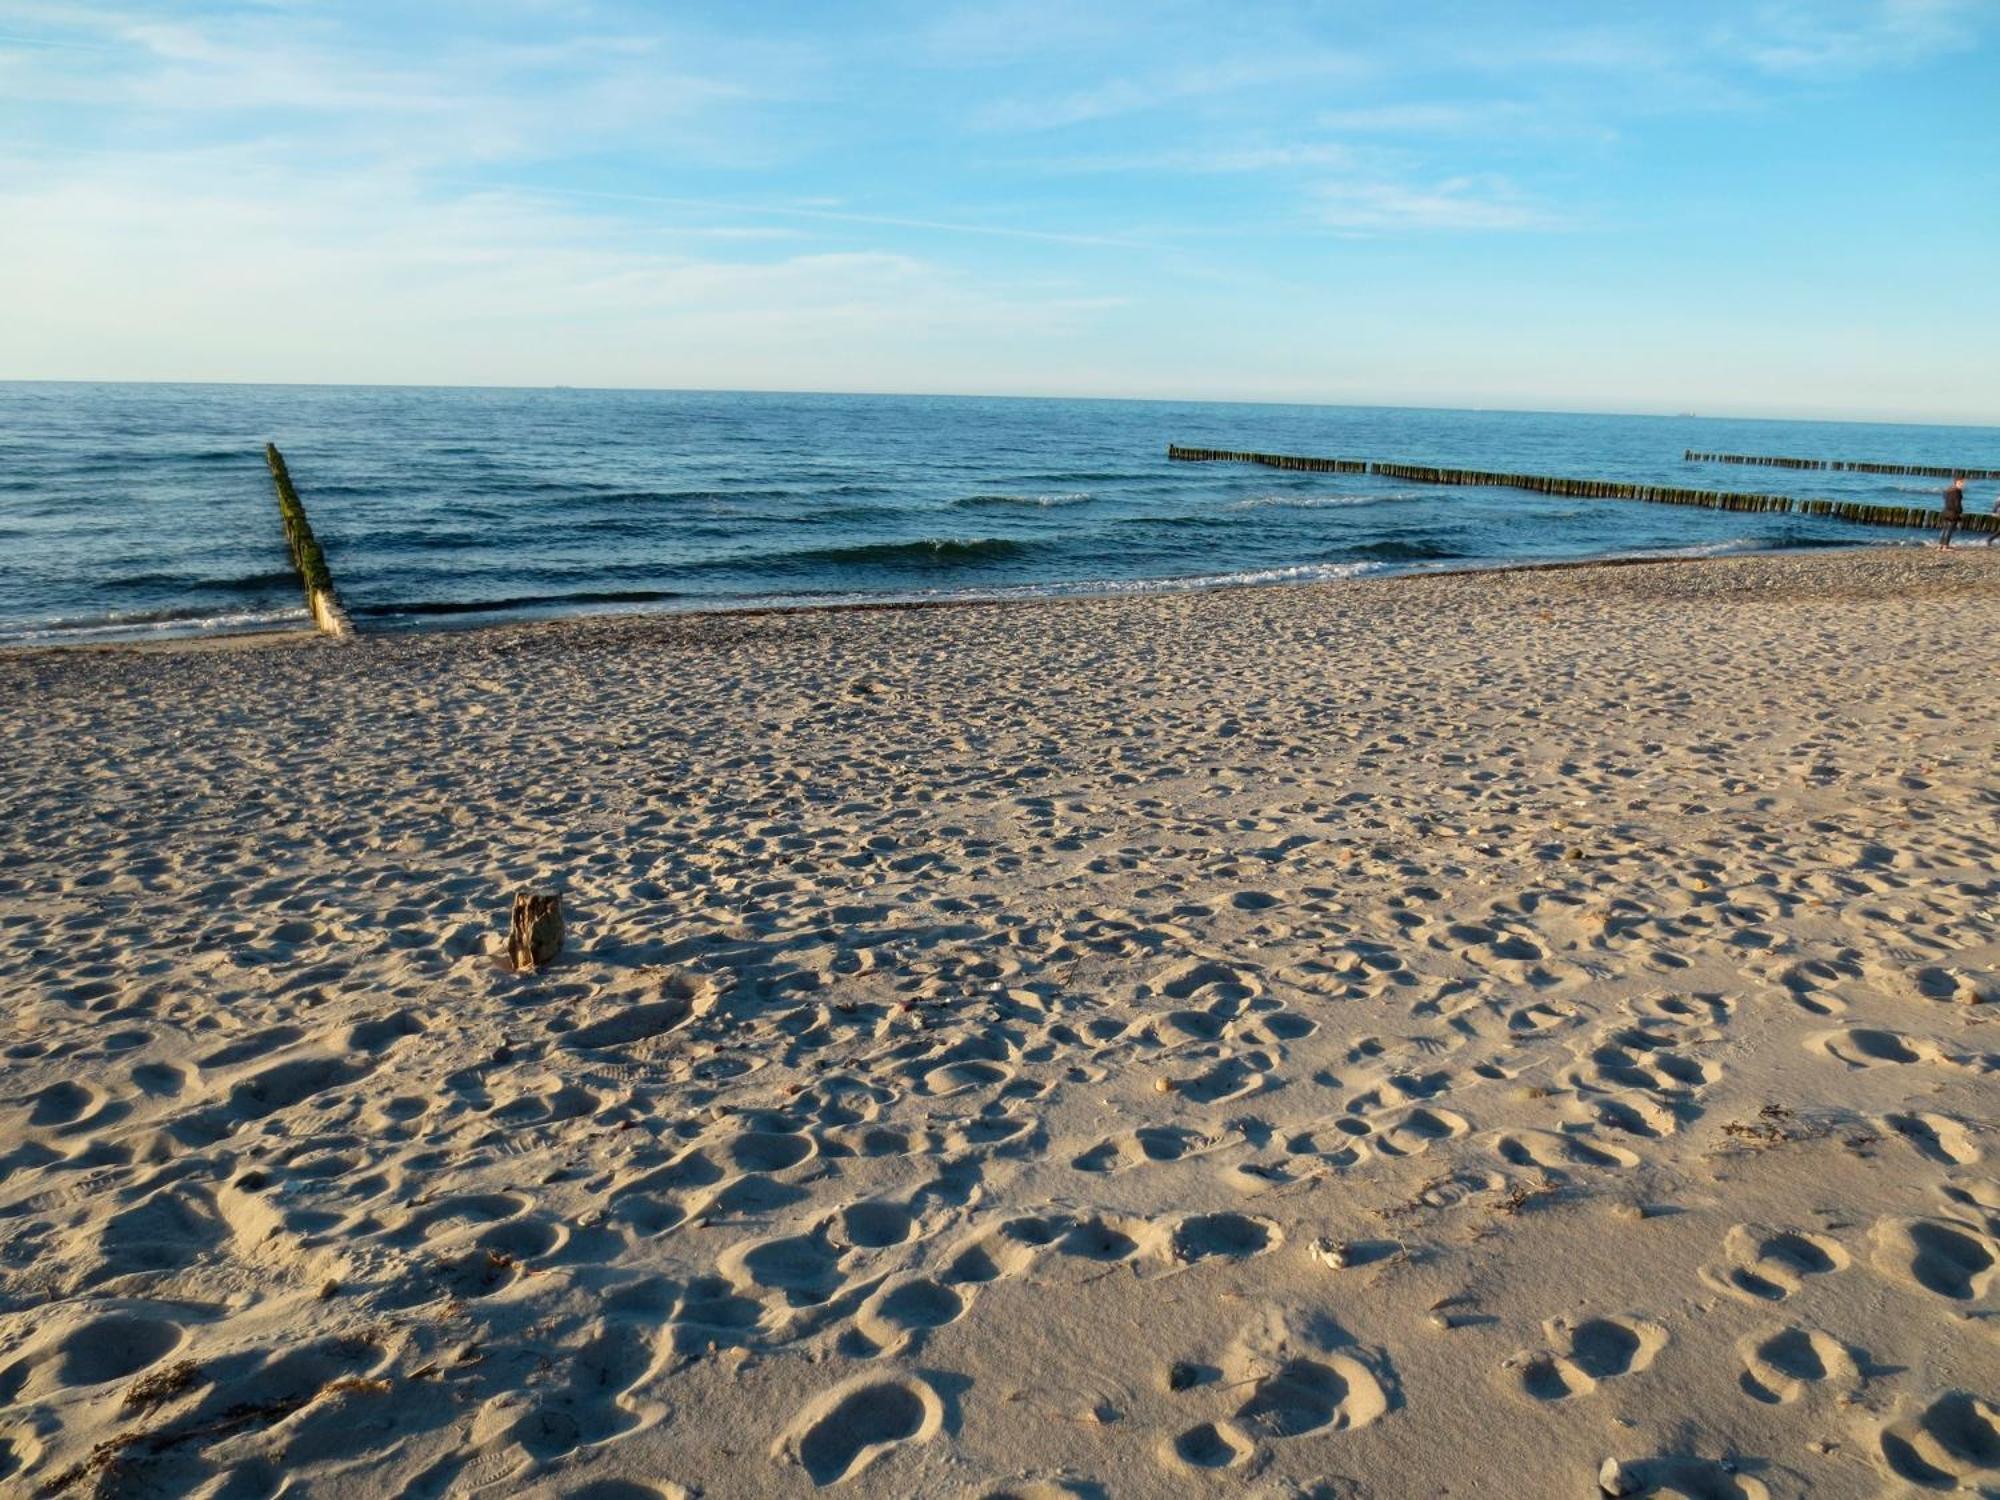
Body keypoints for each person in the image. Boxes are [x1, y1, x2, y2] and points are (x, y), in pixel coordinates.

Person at [1940, 475, 1965, 548]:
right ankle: (1945, 546)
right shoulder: (1958, 492)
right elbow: (1957, 504)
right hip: (1953, 513)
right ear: (1956, 483)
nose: (1962, 485)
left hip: (1945, 511)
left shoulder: (1948, 490)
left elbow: (1945, 499)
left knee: (1944, 529)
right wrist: (1960, 512)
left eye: (1963, 483)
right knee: (1949, 530)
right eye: (1960, 483)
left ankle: (1940, 545)